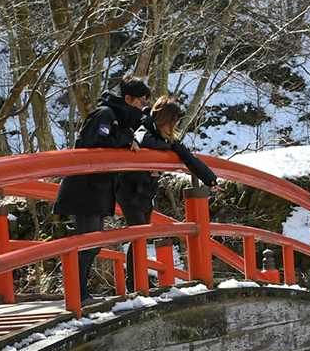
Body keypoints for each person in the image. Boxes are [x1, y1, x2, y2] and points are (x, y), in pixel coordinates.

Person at [54, 75, 149, 300]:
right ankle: (77, 294)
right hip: (85, 187)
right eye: (140, 102)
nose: (142, 107)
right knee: (88, 242)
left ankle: (80, 292)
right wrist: (126, 138)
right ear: (127, 98)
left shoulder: (120, 119)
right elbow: (95, 144)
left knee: (93, 243)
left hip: (99, 189)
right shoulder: (104, 114)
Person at [118, 94, 219, 233]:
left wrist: (210, 179)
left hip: (146, 191)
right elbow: (142, 141)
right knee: (140, 236)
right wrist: (169, 147)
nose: (173, 126)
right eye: (172, 122)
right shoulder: (144, 127)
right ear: (164, 119)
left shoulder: (169, 139)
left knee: (142, 236)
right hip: (130, 189)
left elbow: (189, 158)